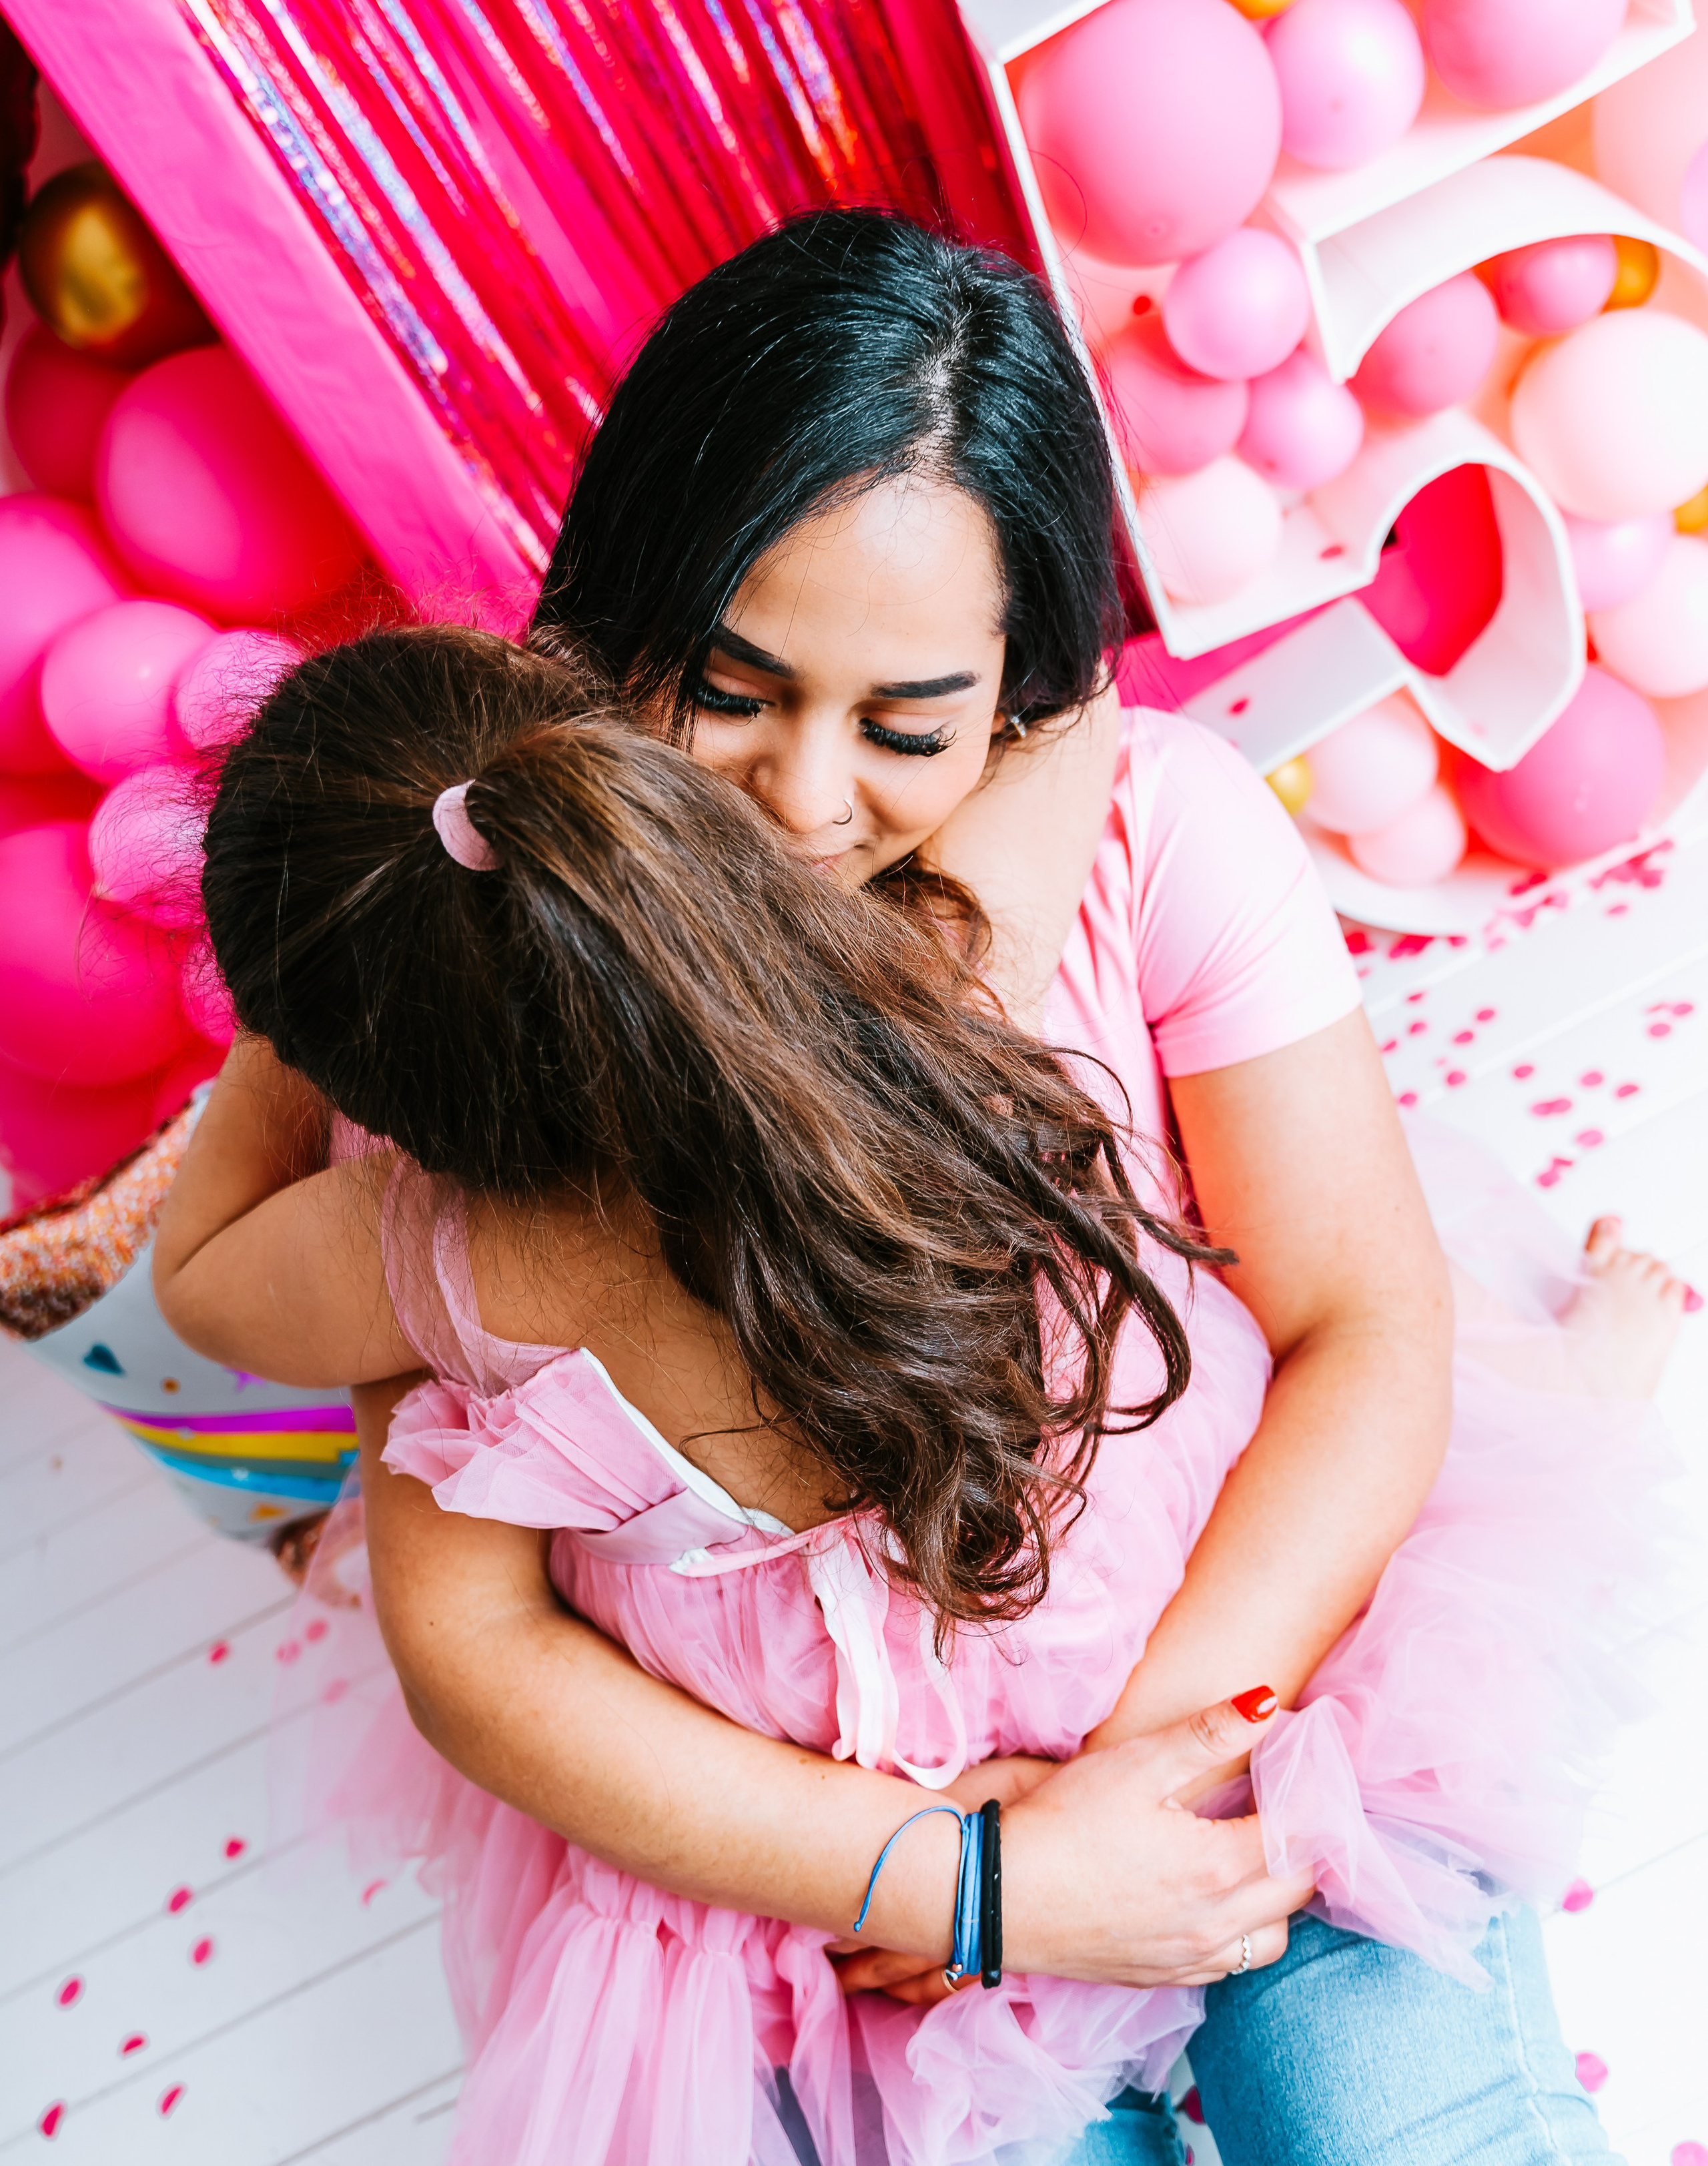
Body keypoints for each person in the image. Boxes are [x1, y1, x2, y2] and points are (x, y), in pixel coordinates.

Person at [159, 212, 1682, 2166]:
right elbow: (476, 1652)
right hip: (825, 1874)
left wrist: (1111, 1800)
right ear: (619, 631)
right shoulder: (508, 1015)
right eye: (731, 689)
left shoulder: (1118, 858)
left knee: (1407, 2124)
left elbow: (1360, 1323)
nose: (803, 804)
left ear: (1021, 694)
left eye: (908, 729)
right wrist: (961, 1882)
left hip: (1238, 1686)